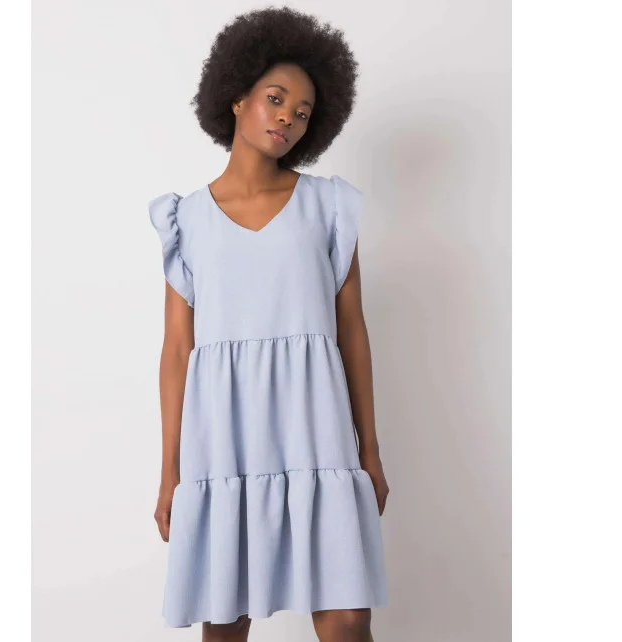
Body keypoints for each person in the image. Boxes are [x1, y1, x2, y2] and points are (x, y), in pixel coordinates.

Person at [148, 6, 389, 640]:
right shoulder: (186, 220)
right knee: (225, 623)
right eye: (276, 99)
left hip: (316, 428)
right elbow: (177, 351)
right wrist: (171, 472)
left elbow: (351, 332)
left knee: (346, 619)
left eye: (303, 112)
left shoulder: (328, 206)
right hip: (223, 434)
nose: (287, 117)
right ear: (237, 97)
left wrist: (368, 449)